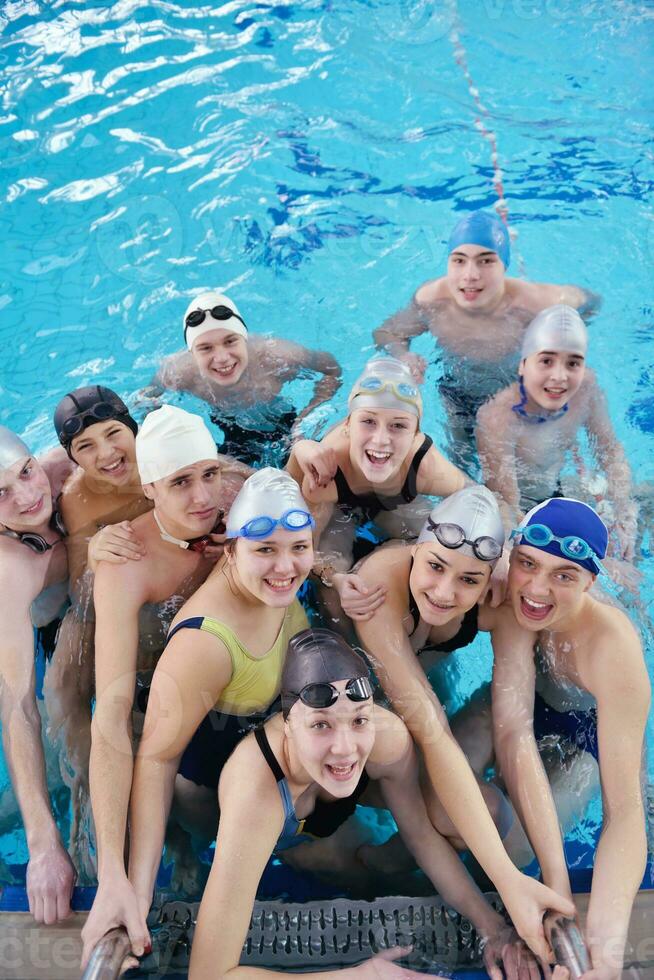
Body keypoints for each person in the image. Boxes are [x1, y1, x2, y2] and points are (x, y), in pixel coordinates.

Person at [183, 628, 550, 980]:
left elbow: (420, 834)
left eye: (359, 720)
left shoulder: (385, 734)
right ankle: (183, 847)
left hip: (315, 781)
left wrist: (492, 928)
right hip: (223, 795)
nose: (345, 747)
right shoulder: (255, 794)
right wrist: (357, 976)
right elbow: (209, 973)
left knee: (474, 813)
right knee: (340, 871)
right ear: (289, 724)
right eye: (321, 725)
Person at [83, 469, 316, 968]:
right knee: (348, 867)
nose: (286, 565)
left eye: (299, 547)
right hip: (211, 788)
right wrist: (135, 889)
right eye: (266, 550)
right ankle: (184, 851)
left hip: (272, 754)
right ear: (231, 551)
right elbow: (157, 760)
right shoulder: (205, 642)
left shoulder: (281, 578)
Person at [346, 487, 575, 957]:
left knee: (482, 816)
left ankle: (422, 861)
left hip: (423, 671)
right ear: (416, 551)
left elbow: (516, 732)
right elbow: (430, 732)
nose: (446, 591)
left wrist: (558, 886)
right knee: (410, 755)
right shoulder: (379, 581)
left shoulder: (502, 602)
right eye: (434, 566)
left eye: (471, 580)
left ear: (494, 578)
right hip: (360, 693)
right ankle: (397, 858)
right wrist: (508, 883)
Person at [80, 405, 248, 963]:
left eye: (208, 474)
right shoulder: (125, 560)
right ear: (149, 487)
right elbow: (111, 706)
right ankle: (156, 861)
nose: (204, 496)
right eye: (181, 482)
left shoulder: (239, 497)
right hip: (166, 683)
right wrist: (110, 872)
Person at [491, 497, 650, 979]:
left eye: (564, 575)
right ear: (513, 555)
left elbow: (623, 815)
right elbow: (512, 728)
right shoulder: (506, 583)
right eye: (528, 565)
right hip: (529, 698)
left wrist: (602, 962)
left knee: (515, 850)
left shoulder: (612, 650)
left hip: (588, 729)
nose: (537, 589)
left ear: (590, 583)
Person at [373, 210, 599, 467]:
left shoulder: (534, 302)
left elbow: (590, 301)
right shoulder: (432, 300)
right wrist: (404, 355)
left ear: (504, 264)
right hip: (458, 392)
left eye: (486, 261)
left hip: (518, 396)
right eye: (459, 260)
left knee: (530, 473)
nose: (470, 275)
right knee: (460, 467)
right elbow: (387, 333)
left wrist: (565, 343)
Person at [43, 386, 153, 872]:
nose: (106, 453)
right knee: (61, 683)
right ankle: (87, 788)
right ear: (72, 458)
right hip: (106, 603)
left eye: (113, 435)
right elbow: (82, 596)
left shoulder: (165, 460)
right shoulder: (77, 497)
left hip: (163, 590)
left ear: (133, 430)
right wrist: (97, 555)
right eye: (87, 447)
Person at [287, 356, 471, 618]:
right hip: (338, 508)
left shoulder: (426, 466)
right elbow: (302, 545)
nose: (381, 440)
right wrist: (334, 579)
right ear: (348, 425)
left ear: (416, 434)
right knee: (333, 596)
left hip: (400, 505)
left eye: (398, 426)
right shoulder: (327, 469)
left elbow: (481, 499)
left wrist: (503, 556)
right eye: (368, 421)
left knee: (444, 550)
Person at [476, 305, 637, 561]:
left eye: (573, 363)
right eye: (546, 361)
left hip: (557, 489)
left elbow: (609, 450)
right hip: (522, 510)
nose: (560, 377)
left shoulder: (586, 389)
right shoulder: (497, 419)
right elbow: (507, 509)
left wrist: (624, 513)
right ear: (523, 364)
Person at [0, 426, 76, 924]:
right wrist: (44, 845)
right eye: (0, 494)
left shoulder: (63, 469)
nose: (28, 495)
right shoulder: (9, 571)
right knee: (59, 760)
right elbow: (18, 705)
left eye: (24, 473)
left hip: (79, 609)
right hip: (33, 630)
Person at [141, 291, 342, 465]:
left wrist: (305, 419)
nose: (221, 358)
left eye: (230, 341)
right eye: (206, 348)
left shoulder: (278, 355)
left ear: (244, 339)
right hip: (225, 427)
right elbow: (145, 401)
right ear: (192, 353)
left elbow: (331, 369)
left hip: (281, 417)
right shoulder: (178, 372)